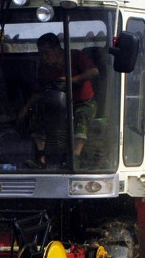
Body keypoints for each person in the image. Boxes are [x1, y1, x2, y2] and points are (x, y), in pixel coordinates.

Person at [18, 33, 99, 168]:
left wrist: (71, 80)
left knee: (82, 116)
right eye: (41, 53)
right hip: (56, 104)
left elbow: (94, 71)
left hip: (82, 102)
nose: (44, 57)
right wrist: (25, 109)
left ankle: (75, 158)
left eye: (46, 52)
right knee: (37, 117)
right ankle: (41, 157)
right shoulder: (45, 67)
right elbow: (39, 91)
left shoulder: (75, 56)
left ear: (57, 49)